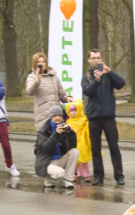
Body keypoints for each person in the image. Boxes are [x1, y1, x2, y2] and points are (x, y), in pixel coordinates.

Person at [81, 48, 126, 185]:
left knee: (114, 146)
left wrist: (109, 71)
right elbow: (88, 91)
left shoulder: (108, 75)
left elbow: (121, 84)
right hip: (94, 117)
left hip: (108, 117)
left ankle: (119, 175)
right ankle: (98, 176)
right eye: (93, 58)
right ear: (89, 60)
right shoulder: (86, 77)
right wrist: (96, 80)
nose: (96, 60)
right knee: (96, 148)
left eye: (98, 57)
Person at [26, 52, 74, 132]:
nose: (41, 64)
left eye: (43, 62)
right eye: (39, 62)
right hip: (43, 115)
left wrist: (67, 98)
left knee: (59, 140)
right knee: (46, 142)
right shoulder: (32, 77)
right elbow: (30, 92)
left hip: (57, 115)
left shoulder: (54, 76)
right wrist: (37, 80)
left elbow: (61, 94)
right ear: (35, 64)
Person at [35, 105, 79, 189]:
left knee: (75, 151)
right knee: (60, 173)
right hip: (47, 162)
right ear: (51, 117)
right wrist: (56, 134)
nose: (57, 118)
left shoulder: (64, 127)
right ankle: (48, 179)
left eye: (59, 116)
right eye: (55, 116)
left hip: (60, 159)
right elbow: (45, 149)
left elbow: (71, 147)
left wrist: (71, 133)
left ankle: (67, 180)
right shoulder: (43, 131)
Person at [64, 100, 92, 182]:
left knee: (83, 160)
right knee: (75, 160)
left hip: (82, 141)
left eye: (75, 110)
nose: (73, 113)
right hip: (73, 142)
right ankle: (76, 173)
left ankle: (86, 174)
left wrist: (89, 141)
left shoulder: (83, 120)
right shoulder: (68, 121)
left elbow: (88, 131)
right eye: (71, 111)